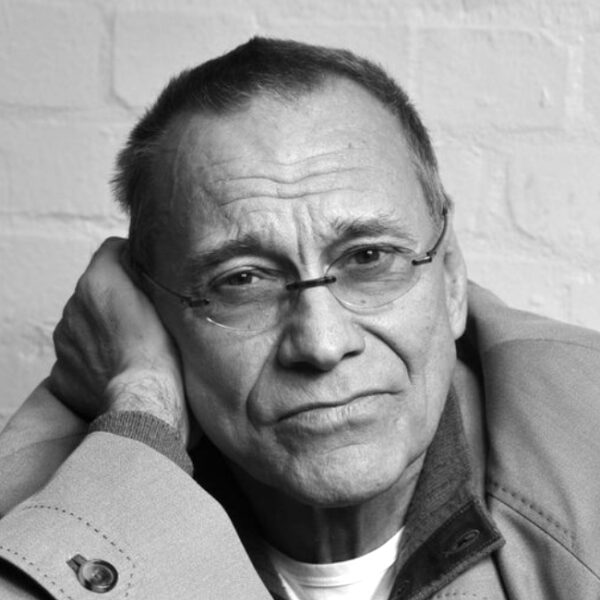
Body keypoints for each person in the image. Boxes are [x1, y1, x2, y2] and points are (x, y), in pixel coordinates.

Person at [0, 37, 599, 599]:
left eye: (369, 258)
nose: (321, 343)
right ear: (151, 314)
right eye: (242, 280)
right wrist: (142, 417)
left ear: (451, 280)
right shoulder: (36, 500)